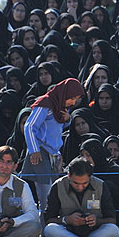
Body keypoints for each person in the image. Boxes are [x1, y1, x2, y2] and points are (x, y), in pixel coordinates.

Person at [23, 78, 84, 219]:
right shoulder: (46, 104)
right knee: (45, 192)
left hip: (53, 154)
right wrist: (34, 150)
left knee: (54, 191)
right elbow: (29, 126)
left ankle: (50, 225)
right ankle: (43, 229)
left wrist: (68, 119)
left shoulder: (61, 106)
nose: (73, 103)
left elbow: (56, 128)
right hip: (40, 152)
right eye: (72, 98)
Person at [43, 157, 119, 237]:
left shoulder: (100, 186)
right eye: (76, 183)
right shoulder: (58, 186)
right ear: (69, 176)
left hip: (94, 232)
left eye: (84, 183)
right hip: (69, 231)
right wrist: (66, 220)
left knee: (113, 230)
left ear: (90, 177)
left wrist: (96, 221)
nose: (80, 187)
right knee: (50, 229)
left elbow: (112, 219)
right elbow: (48, 219)